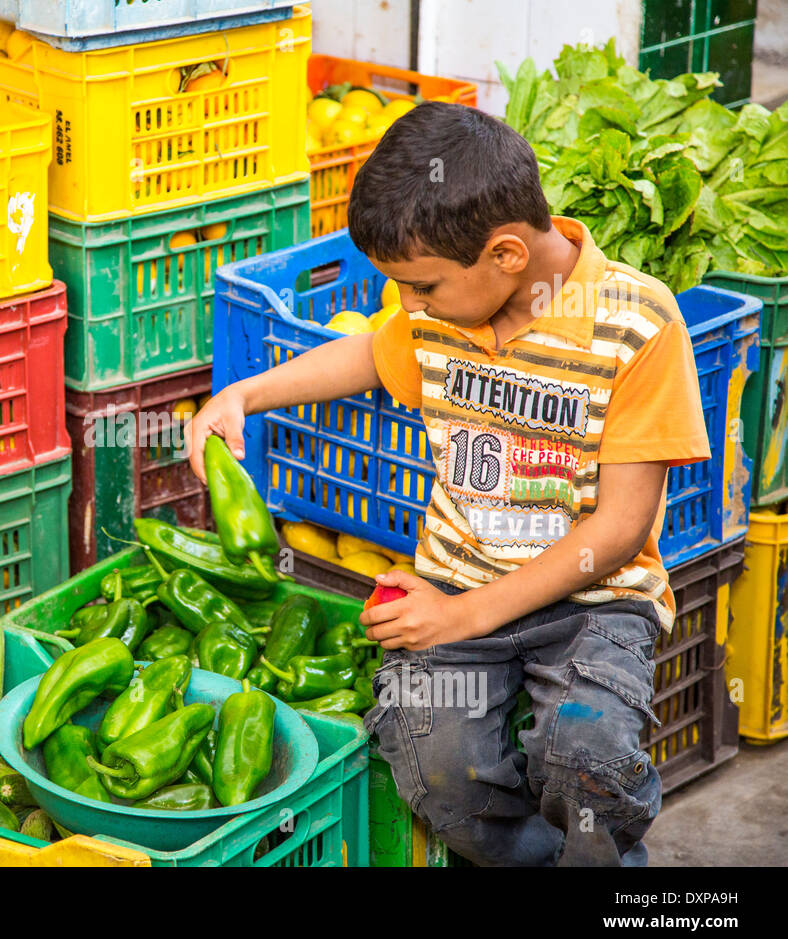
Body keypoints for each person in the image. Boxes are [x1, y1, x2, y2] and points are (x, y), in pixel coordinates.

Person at [185, 102, 710, 866]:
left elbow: (620, 529)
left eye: (421, 288)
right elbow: (368, 355)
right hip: (455, 579)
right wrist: (245, 394)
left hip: (595, 602)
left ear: (504, 255)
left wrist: (463, 618)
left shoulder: (637, 324)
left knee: (584, 753)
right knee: (435, 768)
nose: (409, 307)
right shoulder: (443, 311)